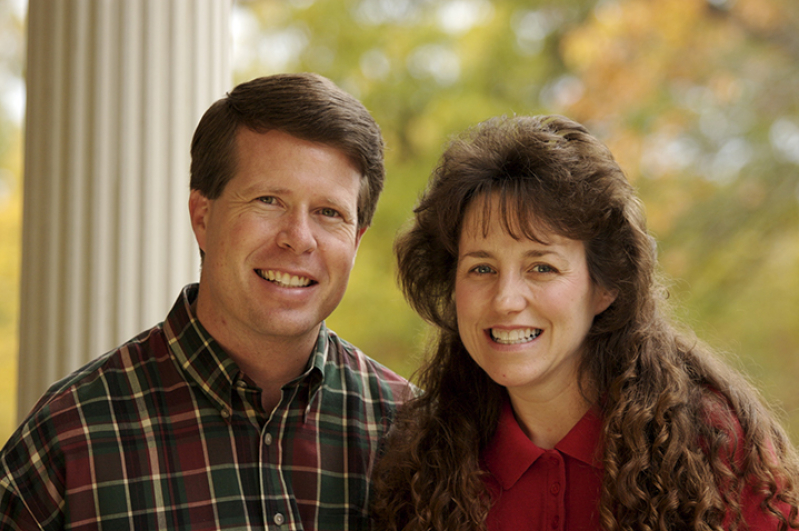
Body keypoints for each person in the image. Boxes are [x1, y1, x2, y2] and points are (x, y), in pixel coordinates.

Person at [0, 72, 412, 530]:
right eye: (268, 200)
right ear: (202, 216)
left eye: (328, 213)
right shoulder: (71, 436)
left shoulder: (411, 433)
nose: (299, 239)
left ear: (355, 242)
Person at [371, 115, 799, 531]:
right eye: (481, 269)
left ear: (605, 286)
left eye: (541, 268)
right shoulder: (423, 463)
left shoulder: (712, 445)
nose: (505, 300)